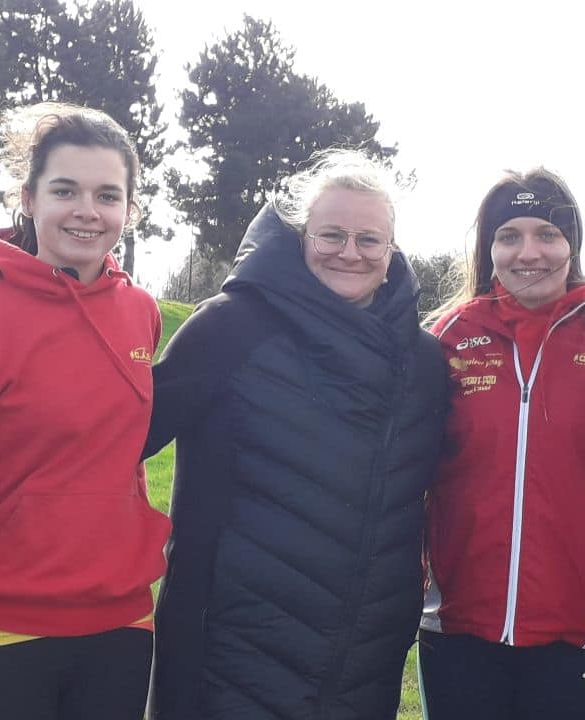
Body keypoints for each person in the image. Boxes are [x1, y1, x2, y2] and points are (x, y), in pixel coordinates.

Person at [143, 149, 449, 720]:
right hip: (229, 647)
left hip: (364, 656)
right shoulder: (230, 326)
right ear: (299, 236)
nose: (349, 253)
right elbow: (118, 440)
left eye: (369, 240)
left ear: (391, 251)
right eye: (331, 234)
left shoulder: (423, 359)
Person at [0, 102, 171, 720]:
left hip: (122, 625)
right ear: (29, 197)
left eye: (108, 195)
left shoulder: (141, 314)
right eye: (65, 190)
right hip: (0, 634)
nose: (87, 211)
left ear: (130, 208)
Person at [419, 168, 585, 719]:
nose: (527, 252)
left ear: (573, 245)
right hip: (458, 623)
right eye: (509, 236)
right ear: (488, 249)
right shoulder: (445, 339)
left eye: (547, 234)